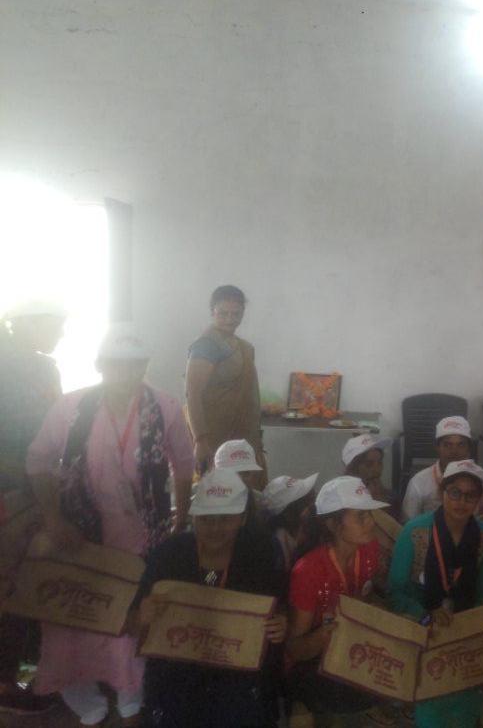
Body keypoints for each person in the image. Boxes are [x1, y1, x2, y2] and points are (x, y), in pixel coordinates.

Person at [25, 323, 194, 727]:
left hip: (142, 536)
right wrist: (53, 519)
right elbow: (38, 461)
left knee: (131, 619)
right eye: (117, 363)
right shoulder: (71, 407)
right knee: (72, 620)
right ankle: (84, 702)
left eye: (135, 364)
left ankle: (130, 699)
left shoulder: (166, 407)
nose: (126, 372)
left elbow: (185, 466)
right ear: (100, 365)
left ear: (145, 366)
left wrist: (180, 521)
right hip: (78, 536)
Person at [134, 468, 287, 727]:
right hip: (176, 680)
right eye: (206, 519)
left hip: (235, 682)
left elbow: (279, 608)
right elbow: (129, 624)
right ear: (193, 518)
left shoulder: (261, 554)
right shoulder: (168, 555)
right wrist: (141, 617)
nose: (215, 528)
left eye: (225, 519)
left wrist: (281, 624)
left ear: (242, 518)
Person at [389, 460, 483, 728]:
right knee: (432, 691)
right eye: (455, 492)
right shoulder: (415, 531)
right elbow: (395, 592)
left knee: (467, 682)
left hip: (463, 622)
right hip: (419, 620)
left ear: (479, 500)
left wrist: (467, 627)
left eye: (470, 495)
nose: (461, 502)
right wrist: (426, 616)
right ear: (442, 492)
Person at [0, 300, 65, 714]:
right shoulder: (13, 367)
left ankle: (18, 675)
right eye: (55, 325)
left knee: (23, 583)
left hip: (30, 489)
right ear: (28, 324)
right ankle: (7, 683)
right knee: (12, 584)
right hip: (13, 492)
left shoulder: (41, 367)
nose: (61, 334)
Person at [287, 477, 389, 725]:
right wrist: (327, 634)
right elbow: (295, 650)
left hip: (349, 652)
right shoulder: (309, 571)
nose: (371, 522)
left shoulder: (369, 550)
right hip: (313, 664)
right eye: (361, 517)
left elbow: (366, 597)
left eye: (370, 514)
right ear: (333, 524)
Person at [184, 285, 264, 482]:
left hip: (241, 435)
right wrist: (200, 440)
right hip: (213, 436)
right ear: (213, 312)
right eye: (223, 313)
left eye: (236, 314)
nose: (230, 319)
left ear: (243, 312)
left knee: (244, 492)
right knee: (216, 491)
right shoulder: (207, 345)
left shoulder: (242, 346)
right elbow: (192, 394)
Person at [401, 416, 483, 520]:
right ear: (437, 447)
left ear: (469, 448)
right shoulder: (419, 482)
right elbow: (409, 522)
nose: (454, 451)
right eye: (447, 445)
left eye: (461, 445)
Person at [263, 472, 318, 571]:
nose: (314, 506)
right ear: (289, 515)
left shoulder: (313, 535)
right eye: (308, 501)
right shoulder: (274, 549)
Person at [341, 432, 394, 508]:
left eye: (379, 462)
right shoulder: (344, 500)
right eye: (369, 464)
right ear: (353, 468)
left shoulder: (388, 496)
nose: (376, 469)